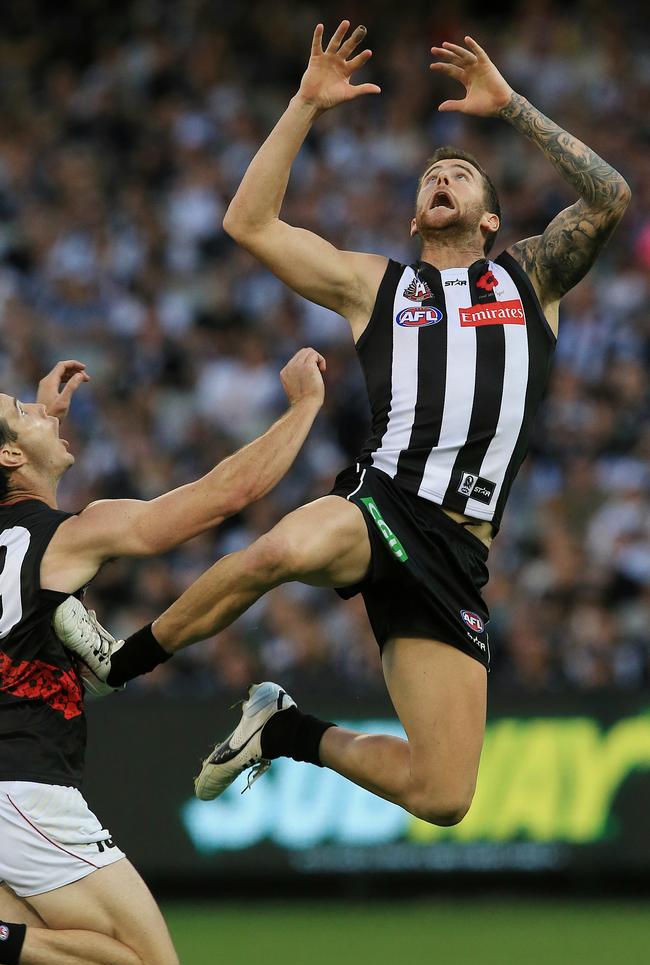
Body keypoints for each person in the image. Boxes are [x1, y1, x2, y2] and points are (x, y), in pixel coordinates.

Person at [60, 23, 630, 826]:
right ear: (412, 219)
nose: (444, 176)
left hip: (458, 554)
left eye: (461, 173)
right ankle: (122, 660)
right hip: (385, 501)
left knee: (444, 796)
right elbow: (248, 224)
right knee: (286, 550)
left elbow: (610, 197)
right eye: (432, 173)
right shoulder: (378, 286)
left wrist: (509, 107)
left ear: (491, 221)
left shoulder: (528, 277)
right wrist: (302, 104)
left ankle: (286, 730)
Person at [0, 349, 326, 965]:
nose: (36, 406)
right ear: (10, 457)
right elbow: (221, 497)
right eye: (19, 411)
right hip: (22, 786)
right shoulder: (67, 537)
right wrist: (305, 406)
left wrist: (39, 421)